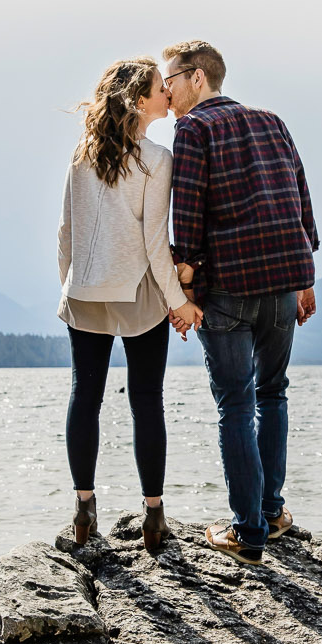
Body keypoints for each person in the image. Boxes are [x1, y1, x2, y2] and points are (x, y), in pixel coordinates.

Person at [163, 40, 319, 564]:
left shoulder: (194, 129)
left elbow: (186, 210)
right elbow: (300, 196)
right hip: (281, 282)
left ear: (198, 79)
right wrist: (306, 277)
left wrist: (184, 284)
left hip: (227, 287)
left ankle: (248, 535)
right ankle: (273, 514)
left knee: (236, 404)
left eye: (172, 79)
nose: (166, 90)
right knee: (272, 394)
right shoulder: (273, 121)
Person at [57, 56, 204, 553]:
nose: (168, 93)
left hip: (85, 293)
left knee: (86, 397)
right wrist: (179, 301)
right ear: (141, 102)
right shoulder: (157, 159)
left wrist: (70, 287)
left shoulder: (82, 154)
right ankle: (155, 516)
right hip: (137, 290)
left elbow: (65, 233)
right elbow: (154, 242)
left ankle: (83, 507)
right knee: (146, 401)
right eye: (162, 88)